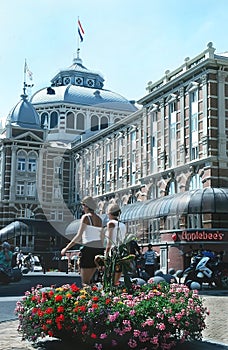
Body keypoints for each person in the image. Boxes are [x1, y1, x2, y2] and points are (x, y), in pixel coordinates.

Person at [61, 196, 104, 286]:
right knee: (91, 280)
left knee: (84, 282)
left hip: (88, 249)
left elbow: (78, 235)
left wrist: (66, 248)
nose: (82, 208)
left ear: (87, 206)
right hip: (98, 248)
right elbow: (100, 236)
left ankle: (88, 298)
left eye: (83, 205)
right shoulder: (99, 219)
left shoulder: (86, 217)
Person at [105, 203, 127, 285]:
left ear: (109, 213)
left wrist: (106, 254)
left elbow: (109, 241)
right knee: (116, 278)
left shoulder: (111, 224)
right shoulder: (123, 225)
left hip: (112, 252)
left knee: (109, 277)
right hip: (120, 253)